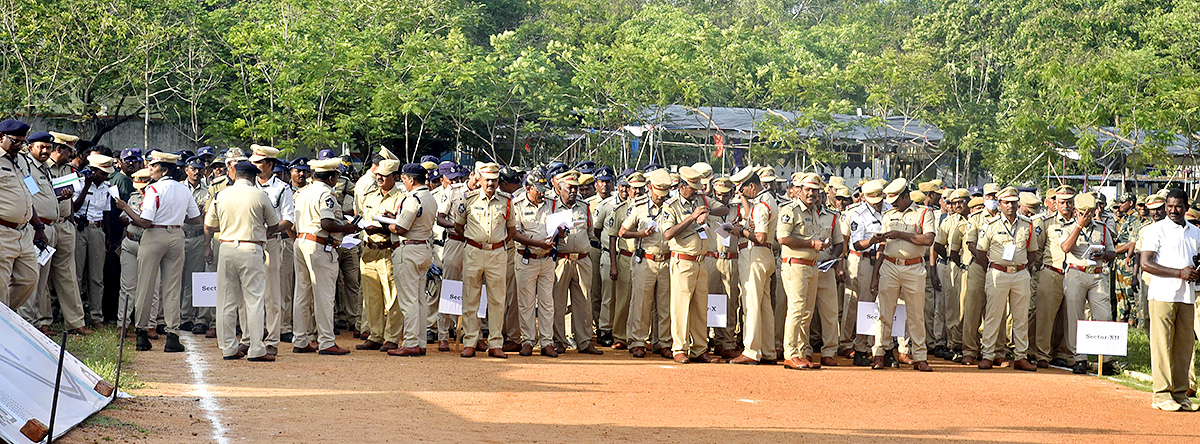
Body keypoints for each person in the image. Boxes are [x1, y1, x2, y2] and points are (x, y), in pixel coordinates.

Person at [115, 151, 203, 353]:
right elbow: (195, 218)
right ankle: (172, 334)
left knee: (146, 284)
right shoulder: (183, 190)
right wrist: (176, 218)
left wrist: (126, 207)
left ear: (164, 170)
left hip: (154, 234)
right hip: (176, 235)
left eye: (154, 167)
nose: (150, 170)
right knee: (172, 287)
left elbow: (145, 221)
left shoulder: (153, 189)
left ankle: (141, 332)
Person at [204, 161, 280, 361]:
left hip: (226, 246)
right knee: (254, 300)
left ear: (235, 174)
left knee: (226, 301)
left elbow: (209, 225)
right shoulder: (259, 195)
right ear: (253, 176)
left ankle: (228, 348)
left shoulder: (221, 195)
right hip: (251, 247)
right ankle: (256, 349)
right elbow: (274, 224)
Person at [19, 131, 89, 335]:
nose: (46, 151)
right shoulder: (27, 166)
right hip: (39, 226)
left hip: (61, 224)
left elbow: (47, 197)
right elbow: (30, 195)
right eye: (42, 147)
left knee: (60, 275)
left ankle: (74, 322)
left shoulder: (60, 169)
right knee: (35, 276)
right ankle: (37, 323)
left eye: (48, 147)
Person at [1138, 188, 1200, 412]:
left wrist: (1194, 273)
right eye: (1170, 206)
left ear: (1186, 207)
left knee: (1184, 346)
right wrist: (1179, 273)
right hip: (1162, 294)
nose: (1173, 210)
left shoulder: (1195, 232)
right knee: (1162, 345)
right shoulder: (1156, 230)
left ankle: (1181, 394)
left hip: (1187, 296)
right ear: (1165, 206)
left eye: (1178, 206)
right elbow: (1146, 264)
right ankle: (1162, 394)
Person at [291, 157, 360, 355]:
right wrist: (346, 228)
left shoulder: (304, 192)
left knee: (302, 294)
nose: (336, 179)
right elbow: (327, 223)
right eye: (336, 176)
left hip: (301, 240)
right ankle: (327, 341)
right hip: (319, 244)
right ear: (330, 177)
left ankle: (301, 339)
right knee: (324, 295)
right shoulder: (326, 193)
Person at [774, 173, 841, 369]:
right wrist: (812, 243)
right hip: (795, 265)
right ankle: (790, 353)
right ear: (800, 191)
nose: (811, 193)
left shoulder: (813, 212)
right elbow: (783, 238)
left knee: (806, 313)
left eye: (815, 190)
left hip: (812, 266)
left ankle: (801, 352)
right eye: (808, 190)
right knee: (796, 310)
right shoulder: (790, 210)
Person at [869, 178, 934, 372]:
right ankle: (879, 353)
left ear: (907, 196)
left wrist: (900, 235)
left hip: (913, 267)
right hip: (889, 265)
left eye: (897, 200)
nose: (893, 204)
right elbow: (882, 246)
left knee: (916, 314)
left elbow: (928, 239)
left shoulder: (923, 213)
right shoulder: (888, 215)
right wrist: (875, 275)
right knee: (884, 312)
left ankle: (920, 356)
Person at [454, 162, 516, 358]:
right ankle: (470, 341)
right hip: (473, 251)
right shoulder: (468, 199)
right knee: (470, 298)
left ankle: (496, 343)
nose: (490, 183)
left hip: (497, 253)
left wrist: (496, 244)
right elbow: (458, 226)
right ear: (479, 180)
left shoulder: (506, 201)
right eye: (487, 179)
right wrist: (475, 241)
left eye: (494, 180)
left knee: (497, 300)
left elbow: (511, 230)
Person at [976, 187, 1039, 371]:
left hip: (1020, 273)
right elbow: (981, 252)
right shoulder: (991, 224)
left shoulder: (1027, 224)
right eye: (1006, 202)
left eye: (1013, 202)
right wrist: (995, 265)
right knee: (993, 315)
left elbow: (1032, 252)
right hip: (998, 272)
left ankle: (1021, 356)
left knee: (1020, 317)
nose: (1010, 206)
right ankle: (988, 354)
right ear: (1000, 204)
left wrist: (1022, 267)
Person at [662, 166, 719, 364]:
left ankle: (700, 348)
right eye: (692, 187)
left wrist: (707, 211)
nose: (695, 191)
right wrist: (692, 218)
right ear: (682, 185)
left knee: (700, 307)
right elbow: (668, 233)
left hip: (701, 261)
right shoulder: (671, 204)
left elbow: (724, 208)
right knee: (681, 306)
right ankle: (679, 347)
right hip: (683, 260)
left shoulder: (700, 200)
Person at [1060, 192, 1117, 375]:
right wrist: (1079, 226)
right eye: (1083, 212)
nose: (1087, 215)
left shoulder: (1102, 227)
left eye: (1090, 212)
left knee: (1104, 315)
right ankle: (1079, 358)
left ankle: (1105, 359)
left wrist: (1103, 255)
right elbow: (1066, 248)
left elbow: (1112, 253)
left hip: (1097, 275)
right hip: (1077, 272)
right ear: (1076, 211)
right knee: (1075, 316)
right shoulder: (1068, 226)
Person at [385, 163, 437, 357]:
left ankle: (411, 341)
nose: (403, 182)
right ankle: (420, 341)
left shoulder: (413, 198)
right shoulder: (430, 197)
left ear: (412, 180)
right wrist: (396, 218)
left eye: (405, 179)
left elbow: (401, 229)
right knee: (420, 299)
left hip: (409, 249)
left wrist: (386, 224)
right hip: (423, 248)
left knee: (409, 301)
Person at [550, 171, 602, 355]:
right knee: (558, 303)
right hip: (560, 261)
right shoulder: (552, 206)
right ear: (560, 188)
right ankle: (558, 341)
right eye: (569, 187)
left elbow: (590, 231)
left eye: (576, 187)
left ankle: (584, 341)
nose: (573, 191)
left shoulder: (584, 207)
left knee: (584, 302)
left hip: (581, 260)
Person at [250, 145, 295, 355]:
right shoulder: (247, 186)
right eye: (253, 162)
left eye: (259, 163)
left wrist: (269, 230)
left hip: (271, 243)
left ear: (270, 164)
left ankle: (272, 340)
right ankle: (249, 337)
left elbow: (288, 220)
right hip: (249, 243)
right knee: (248, 292)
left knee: (272, 293)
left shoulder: (282, 189)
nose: (255, 166)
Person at [355, 159, 403, 352]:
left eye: (385, 175)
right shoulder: (370, 196)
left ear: (395, 177)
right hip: (369, 250)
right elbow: (362, 219)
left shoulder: (401, 198)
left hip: (388, 250)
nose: (380, 178)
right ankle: (375, 335)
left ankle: (392, 337)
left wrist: (385, 226)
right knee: (371, 297)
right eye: (378, 175)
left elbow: (402, 224)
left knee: (391, 297)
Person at [0, 119, 48, 311]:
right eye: (15, 141)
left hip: (24, 232)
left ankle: (5, 319)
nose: (20, 146)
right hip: (3, 231)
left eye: (22, 142)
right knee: (1, 286)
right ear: (1, 137)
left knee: (29, 279)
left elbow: (30, 194)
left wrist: (38, 227)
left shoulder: (22, 160)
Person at [512, 170, 560, 357]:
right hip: (527, 259)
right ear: (527, 188)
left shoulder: (552, 204)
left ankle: (547, 342)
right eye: (538, 190)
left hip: (547, 260)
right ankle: (528, 340)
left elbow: (558, 229)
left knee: (547, 303)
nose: (542, 193)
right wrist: (538, 243)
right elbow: (515, 233)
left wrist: (561, 232)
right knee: (526, 303)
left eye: (543, 190)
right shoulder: (517, 205)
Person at [842, 180, 888, 366]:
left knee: (888, 304)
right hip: (867, 259)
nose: (876, 203)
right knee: (865, 305)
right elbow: (855, 243)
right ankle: (861, 345)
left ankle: (881, 346)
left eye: (878, 199)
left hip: (889, 260)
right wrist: (872, 240)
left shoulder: (890, 208)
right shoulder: (857, 213)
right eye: (872, 200)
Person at [1032, 185, 1077, 368]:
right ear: (1055, 203)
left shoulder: (1079, 221)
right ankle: (1042, 353)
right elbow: (1037, 249)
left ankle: (1064, 353)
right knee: (1045, 316)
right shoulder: (1046, 222)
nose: (1065, 205)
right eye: (1061, 202)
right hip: (1052, 272)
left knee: (1069, 317)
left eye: (1069, 202)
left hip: (1074, 274)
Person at [73, 153, 115, 326]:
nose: (105, 177)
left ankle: (96, 316)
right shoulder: (79, 183)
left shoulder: (107, 187)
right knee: (77, 275)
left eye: (106, 174)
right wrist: (87, 186)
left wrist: (108, 236)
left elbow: (106, 213)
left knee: (97, 277)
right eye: (102, 173)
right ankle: (77, 316)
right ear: (93, 171)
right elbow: (74, 206)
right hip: (79, 227)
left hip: (97, 229)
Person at [181, 156, 214, 337]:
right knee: (178, 278)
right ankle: (182, 316)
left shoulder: (208, 190)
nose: (197, 171)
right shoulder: (179, 187)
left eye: (200, 168)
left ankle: (198, 318)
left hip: (198, 236)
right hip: (180, 235)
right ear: (186, 169)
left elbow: (207, 216)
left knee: (197, 279)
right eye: (193, 168)